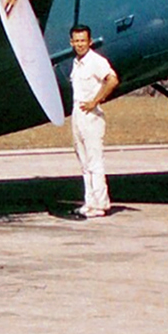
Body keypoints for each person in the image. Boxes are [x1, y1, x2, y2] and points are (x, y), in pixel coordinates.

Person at [69, 25, 119, 219]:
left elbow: (112, 80)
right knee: (83, 161)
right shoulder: (76, 63)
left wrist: (96, 100)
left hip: (91, 115)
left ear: (90, 42)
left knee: (94, 161)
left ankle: (100, 203)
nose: (80, 44)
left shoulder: (96, 61)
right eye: (76, 41)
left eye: (83, 40)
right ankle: (89, 202)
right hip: (77, 113)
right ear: (71, 43)